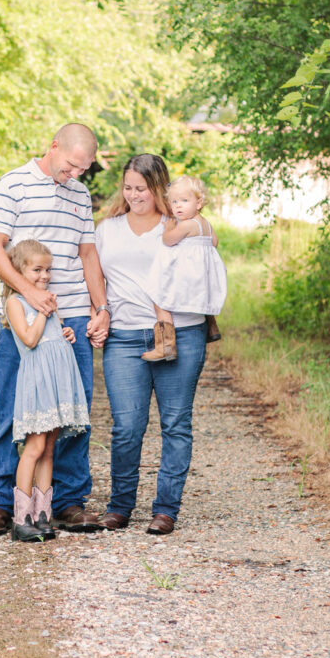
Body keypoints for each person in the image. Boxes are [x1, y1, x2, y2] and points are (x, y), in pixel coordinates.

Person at [0, 123, 110, 537]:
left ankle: (66, 501)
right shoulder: (13, 184)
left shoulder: (80, 194)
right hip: (21, 319)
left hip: (69, 322)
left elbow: (87, 253)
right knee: (12, 409)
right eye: (70, 166)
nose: (75, 176)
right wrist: (28, 293)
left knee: (70, 414)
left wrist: (100, 308)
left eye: (82, 170)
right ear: (54, 147)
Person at [94, 154, 208, 536]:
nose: (133, 195)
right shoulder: (108, 229)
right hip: (125, 336)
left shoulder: (178, 225)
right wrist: (100, 311)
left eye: (141, 188)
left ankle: (165, 510)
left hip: (180, 333)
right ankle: (120, 506)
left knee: (176, 423)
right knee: (127, 426)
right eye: (127, 188)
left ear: (158, 188)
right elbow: (94, 276)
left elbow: (206, 260)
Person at [2, 240, 90, 542]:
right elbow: (29, 339)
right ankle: (21, 517)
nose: (44, 275)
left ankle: (42, 515)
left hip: (58, 380)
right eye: (37, 269)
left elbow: (51, 335)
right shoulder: (16, 302)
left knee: (50, 448)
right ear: (18, 271)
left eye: (48, 269)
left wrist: (64, 331)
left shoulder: (47, 302)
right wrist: (43, 311)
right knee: (34, 447)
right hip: (39, 381)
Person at [140, 174, 227, 362]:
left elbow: (168, 241)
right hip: (201, 278)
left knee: (158, 296)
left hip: (186, 277)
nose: (178, 206)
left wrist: (168, 229)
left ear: (198, 203)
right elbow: (214, 242)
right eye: (174, 202)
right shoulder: (206, 224)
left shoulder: (186, 225)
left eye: (184, 201)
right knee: (201, 301)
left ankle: (166, 345)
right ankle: (211, 327)